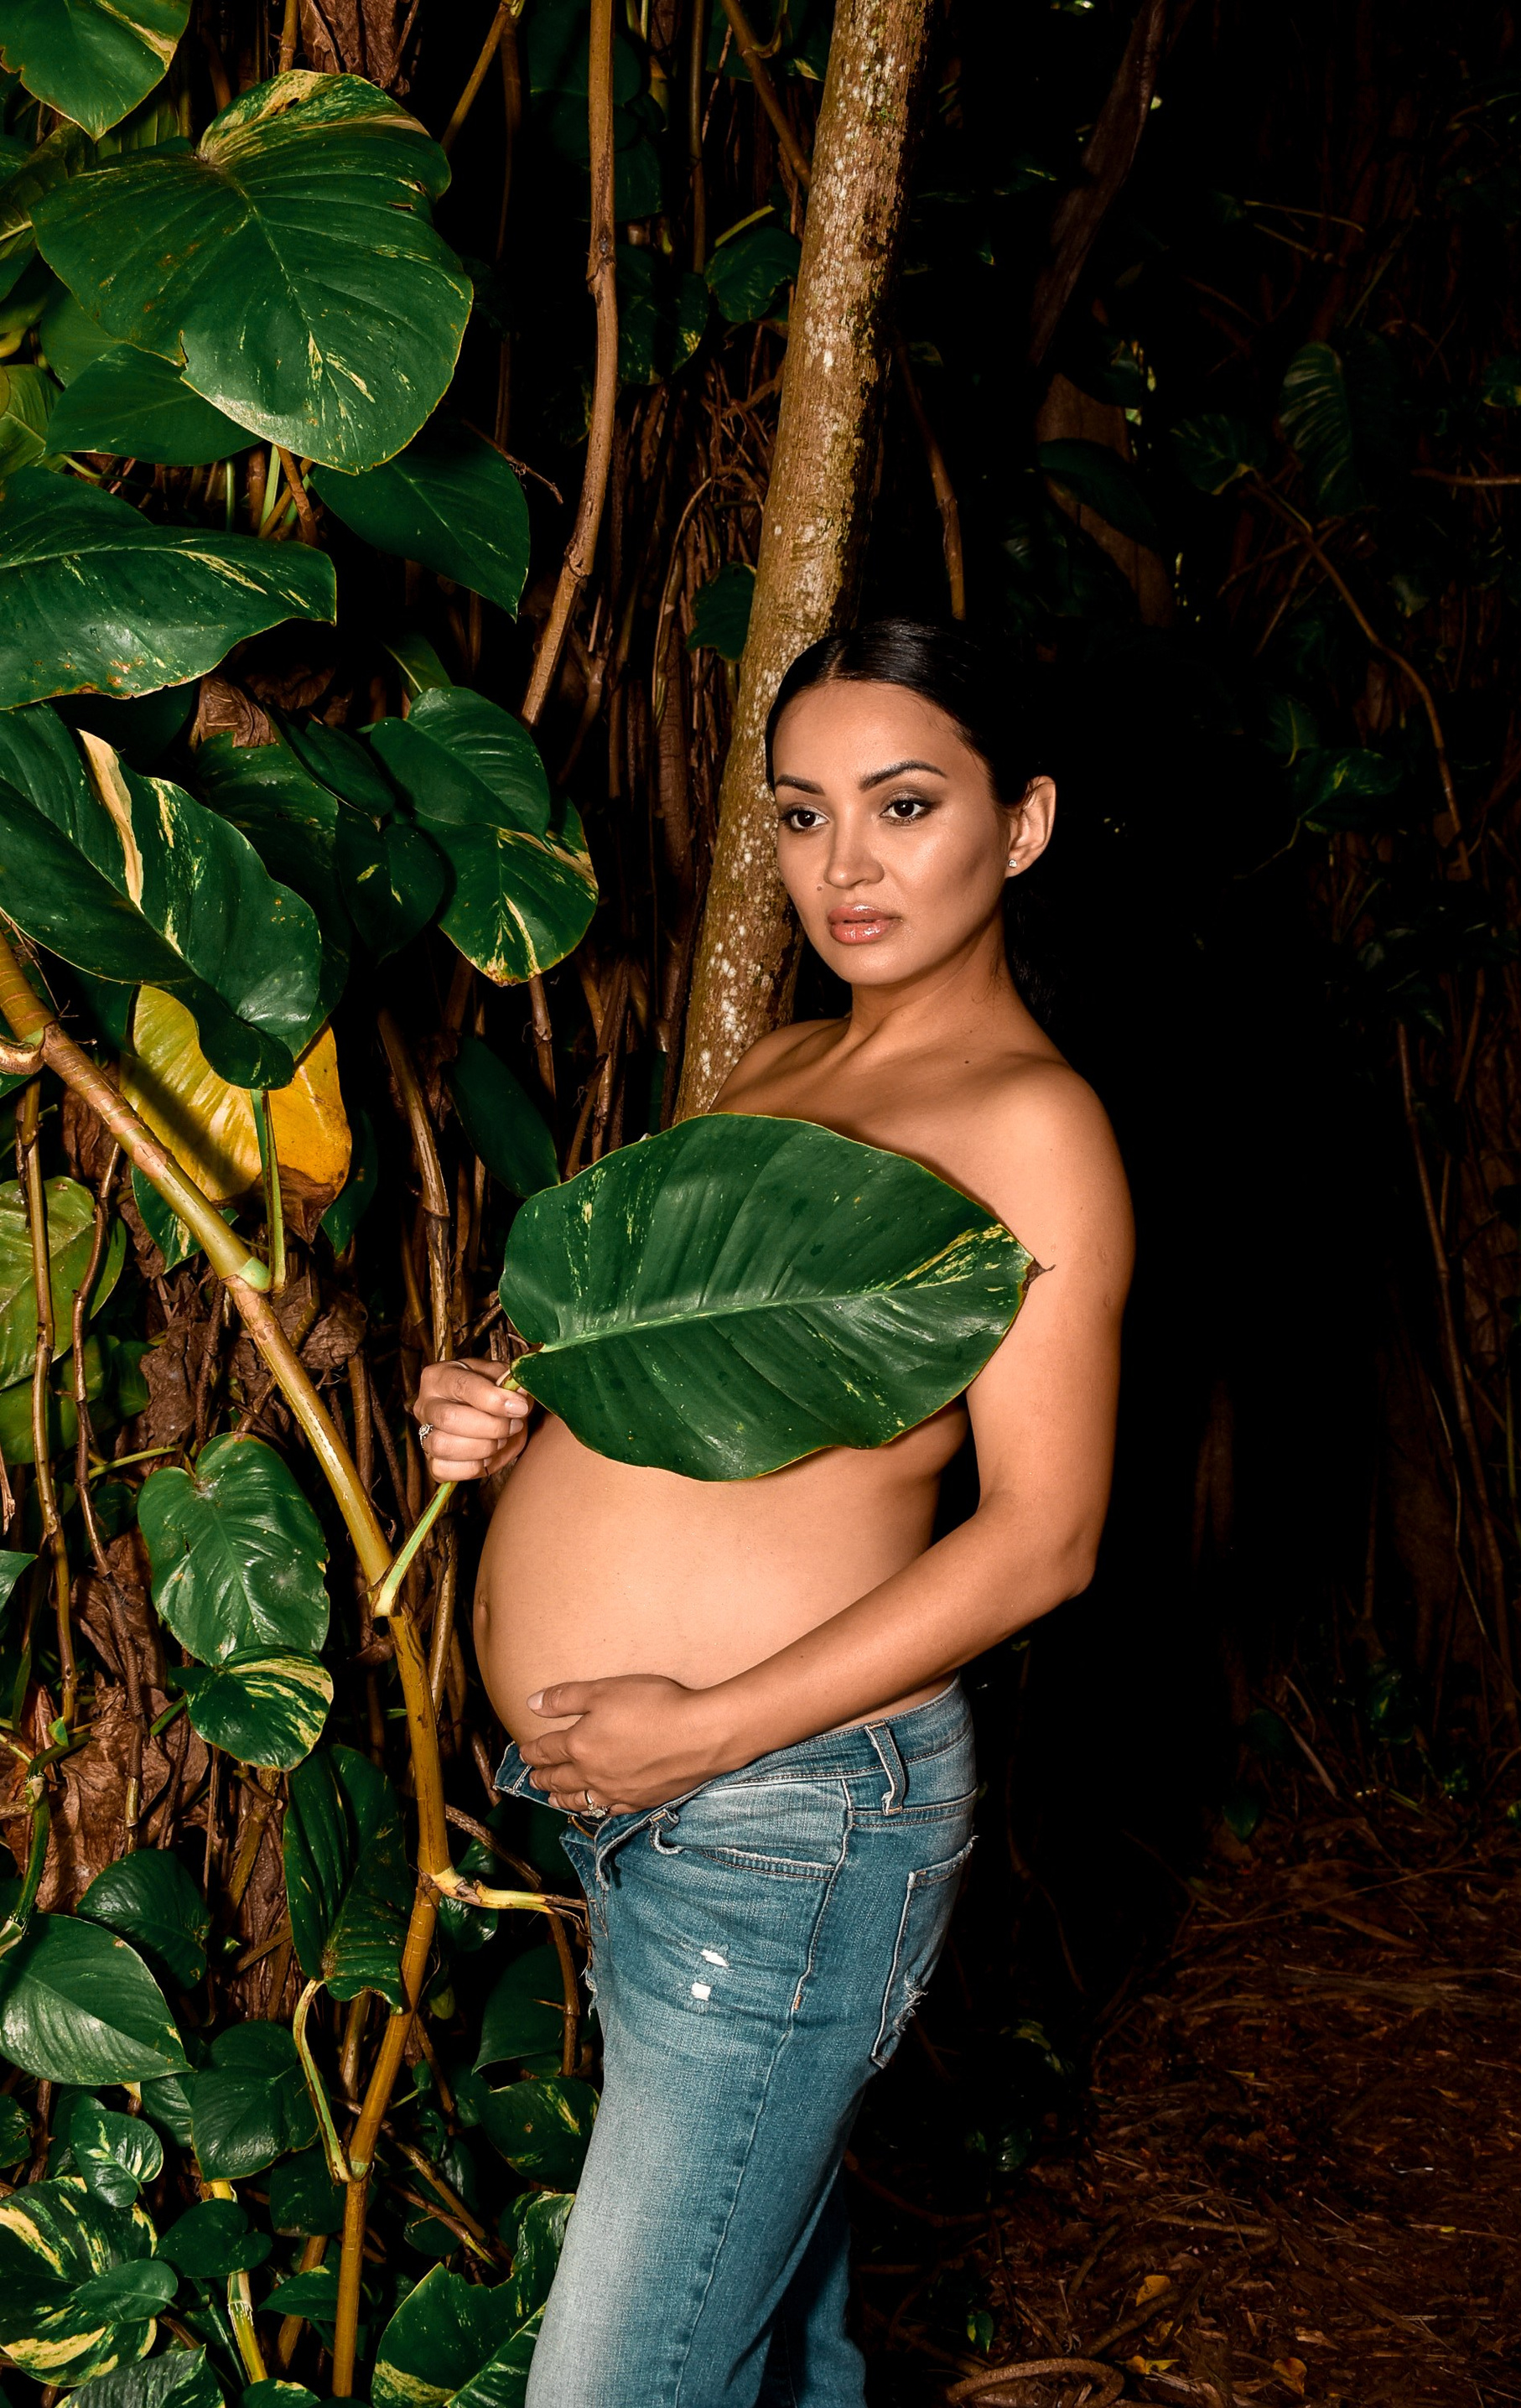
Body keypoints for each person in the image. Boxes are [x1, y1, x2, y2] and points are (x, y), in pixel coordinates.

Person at [413, 620, 1134, 2407]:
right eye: (803, 815)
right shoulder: (770, 1070)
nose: (845, 866)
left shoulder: (1033, 1125)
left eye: (906, 805)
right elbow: (686, 1382)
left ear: (1024, 823)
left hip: (780, 1814)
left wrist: (712, 1727)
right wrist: (506, 1407)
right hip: (635, 1807)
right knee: (773, 2341)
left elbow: (1046, 1536)